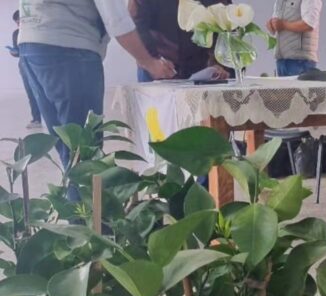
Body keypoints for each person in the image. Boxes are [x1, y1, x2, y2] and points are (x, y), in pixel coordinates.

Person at [18, 0, 176, 170]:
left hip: (31, 46)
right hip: (68, 48)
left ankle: (74, 186)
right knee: (85, 150)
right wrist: (149, 63)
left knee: (68, 148)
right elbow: (117, 19)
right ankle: (83, 187)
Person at [129, 0, 231, 83]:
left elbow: (227, 21)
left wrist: (219, 63)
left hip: (206, 72)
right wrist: (152, 62)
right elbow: (135, 26)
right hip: (159, 70)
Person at [267, 0, 323, 77]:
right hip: (281, 61)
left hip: (300, 62)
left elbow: (309, 24)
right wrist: (272, 25)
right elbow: (278, 24)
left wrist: (283, 25)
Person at [8, 10, 41, 129]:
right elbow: (17, 52)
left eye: (20, 22)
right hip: (24, 66)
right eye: (16, 23)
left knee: (46, 92)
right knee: (31, 94)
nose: (18, 25)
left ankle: (57, 120)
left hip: (39, 65)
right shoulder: (16, 34)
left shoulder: (36, 31)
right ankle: (36, 120)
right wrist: (13, 52)